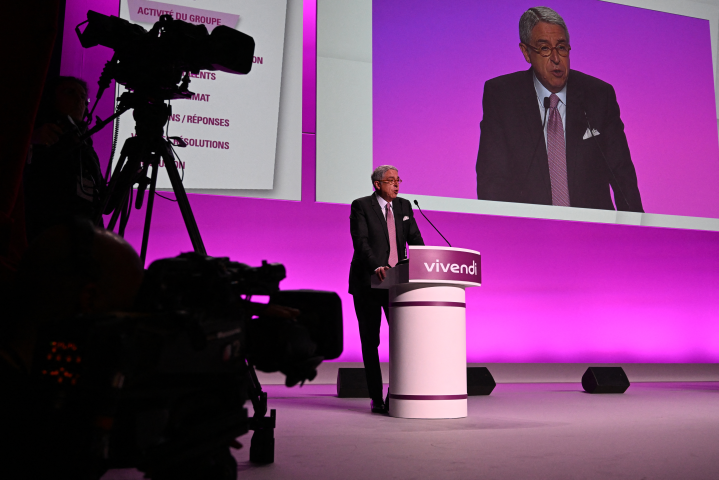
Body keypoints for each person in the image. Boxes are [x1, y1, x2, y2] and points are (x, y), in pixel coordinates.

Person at [476, 7, 643, 212]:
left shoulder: (599, 95)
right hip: (529, 233)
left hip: (593, 232)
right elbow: (492, 178)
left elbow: (622, 173)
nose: (556, 58)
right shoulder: (502, 96)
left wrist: (637, 229)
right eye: (544, 48)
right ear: (526, 52)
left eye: (562, 47)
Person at [349, 165, 424, 414]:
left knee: (403, 340)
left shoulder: (404, 206)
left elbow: (415, 238)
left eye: (399, 180)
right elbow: (360, 242)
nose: (397, 184)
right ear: (377, 184)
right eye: (391, 180)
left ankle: (397, 394)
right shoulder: (361, 206)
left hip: (397, 285)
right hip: (369, 283)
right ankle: (376, 398)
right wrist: (376, 266)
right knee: (371, 342)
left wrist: (428, 259)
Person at [24, 76, 104, 243]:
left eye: (83, 97)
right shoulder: (35, 134)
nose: (78, 100)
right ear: (50, 99)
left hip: (86, 242)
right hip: (44, 239)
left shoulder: (86, 148)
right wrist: (30, 140)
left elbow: (102, 202)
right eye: (70, 92)